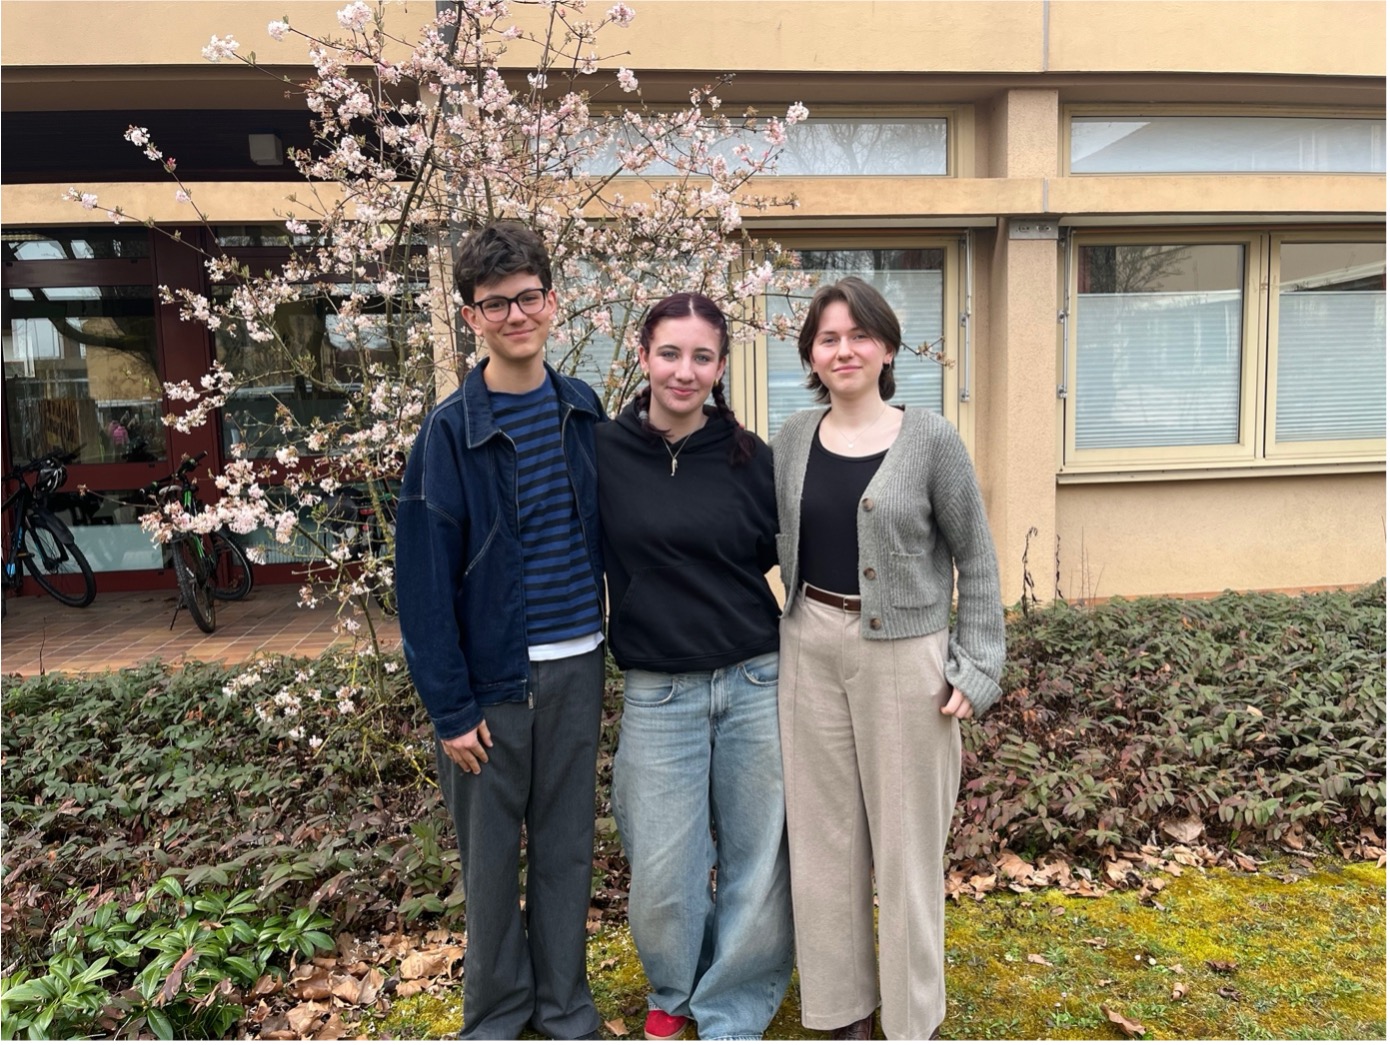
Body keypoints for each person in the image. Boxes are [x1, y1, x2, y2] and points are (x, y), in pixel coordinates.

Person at [771, 276, 1005, 1041]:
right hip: (808, 642)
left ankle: (912, 1019)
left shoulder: (930, 438)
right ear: (811, 352)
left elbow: (977, 554)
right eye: (828, 337)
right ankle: (841, 1011)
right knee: (822, 839)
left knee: (906, 847)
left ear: (887, 347)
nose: (843, 349)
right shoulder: (793, 438)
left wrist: (978, 663)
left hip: (906, 657)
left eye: (858, 335)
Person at [395, 220, 607, 1040]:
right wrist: (449, 708)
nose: (516, 314)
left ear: (551, 302)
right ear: (470, 316)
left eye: (528, 297)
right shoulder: (449, 433)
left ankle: (564, 1010)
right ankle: (496, 1017)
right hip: (490, 686)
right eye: (495, 303)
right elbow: (421, 586)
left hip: (577, 669)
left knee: (565, 851)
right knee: (490, 866)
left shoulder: (581, 410)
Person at [596, 293, 794, 1041]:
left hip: (754, 680)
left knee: (757, 853)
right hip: (659, 690)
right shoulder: (602, 451)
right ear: (643, 356)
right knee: (663, 866)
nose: (685, 370)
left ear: (719, 366)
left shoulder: (753, 460)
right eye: (670, 353)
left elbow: (800, 558)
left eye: (702, 356)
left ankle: (733, 1007)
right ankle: (674, 989)